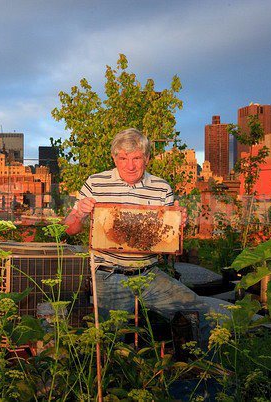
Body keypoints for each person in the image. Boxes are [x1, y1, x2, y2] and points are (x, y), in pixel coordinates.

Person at [64, 128, 230, 344]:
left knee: (197, 312)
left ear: (147, 158)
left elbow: (170, 239)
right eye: (123, 158)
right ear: (114, 158)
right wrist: (80, 213)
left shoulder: (161, 188)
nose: (130, 165)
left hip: (149, 274)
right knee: (110, 339)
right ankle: (113, 375)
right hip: (108, 274)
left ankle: (197, 370)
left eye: (136, 158)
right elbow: (68, 228)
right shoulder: (95, 183)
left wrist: (179, 224)